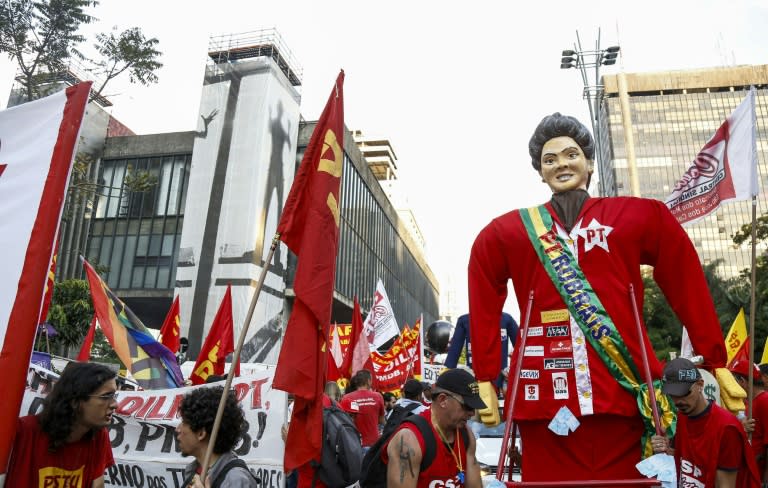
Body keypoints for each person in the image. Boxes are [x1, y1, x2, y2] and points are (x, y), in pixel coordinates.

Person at [467, 112, 728, 482]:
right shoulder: (507, 232)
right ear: (539, 171)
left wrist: (715, 357)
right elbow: (481, 289)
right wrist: (486, 377)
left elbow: (684, 273)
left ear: (589, 163)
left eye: (571, 154)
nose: (561, 164)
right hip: (543, 399)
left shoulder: (634, 215)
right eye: (549, 159)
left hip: (621, 396)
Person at [5, 361, 117, 487]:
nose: (115, 404)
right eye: (106, 396)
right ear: (75, 401)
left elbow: (97, 484)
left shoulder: (98, 436)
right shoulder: (23, 431)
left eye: (114, 396)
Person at [652, 357, 759, 488]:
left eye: (685, 393)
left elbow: (725, 485)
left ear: (700, 385)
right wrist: (664, 447)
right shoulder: (683, 415)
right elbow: (683, 460)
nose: (678, 401)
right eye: (673, 394)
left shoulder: (726, 428)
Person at [383, 368, 485, 488]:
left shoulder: (466, 435)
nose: (472, 413)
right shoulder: (409, 440)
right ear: (443, 400)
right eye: (467, 406)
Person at [177, 386, 256, 487]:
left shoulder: (236, 479)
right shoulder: (193, 472)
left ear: (201, 434)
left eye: (183, 422)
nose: (177, 429)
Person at [444, 312, 518, 388]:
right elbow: (454, 352)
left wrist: (513, 370)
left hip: (499, 380)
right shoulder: (464, 320)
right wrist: (446, 375)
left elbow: (520, 347)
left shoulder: (506, 319)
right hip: (474, 378)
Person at [729, 360, 768, 483]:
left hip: (759, 476)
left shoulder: (764, 401)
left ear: (742, 381)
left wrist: (765, 480)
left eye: (734, 381)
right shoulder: (747, 403)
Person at [340, 369, 385, 452]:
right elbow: (382, 420)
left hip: (353, 444)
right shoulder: (378, 396)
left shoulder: (347, 398)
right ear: (368, 381)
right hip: (373, 443)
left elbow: (343, 421)